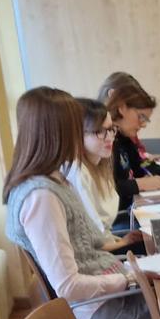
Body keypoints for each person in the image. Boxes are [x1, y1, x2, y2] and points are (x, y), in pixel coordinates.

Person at [3, 87, 151, 319]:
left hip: (112, 299)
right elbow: (68, 286)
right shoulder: (41, 197)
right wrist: (127, 279)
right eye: (76, 128)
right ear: (57, 133)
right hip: (106, 313)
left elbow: (90, 249)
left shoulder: (54, 181)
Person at [63, 97, 142, 254]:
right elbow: (94, 242)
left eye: (111, 129)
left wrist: (122, 240)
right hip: (98, 256)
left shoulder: (99, 165)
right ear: (77, 134)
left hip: (108, 244)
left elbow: (100, 232)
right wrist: (123, 242)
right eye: (99, 131)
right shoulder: (77, 173)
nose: (110, 138)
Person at [98, 72, 160, 231]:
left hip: (128, 214)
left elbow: (141, 164)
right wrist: (139, 184)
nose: (143, 125)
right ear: (121, 107)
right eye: (140, 117)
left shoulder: (124, 138)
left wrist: (153, 170)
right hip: (114, 225)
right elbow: (104, 190)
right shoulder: (103, 143)